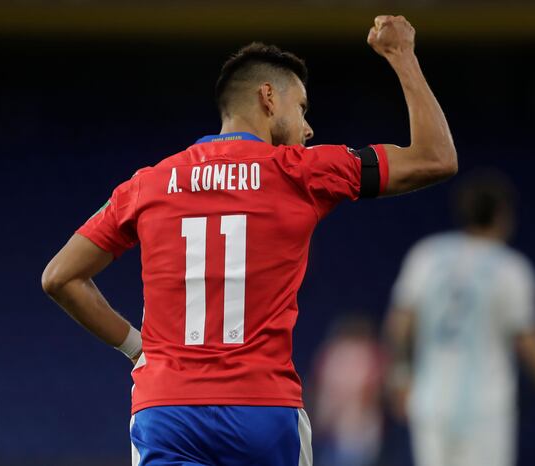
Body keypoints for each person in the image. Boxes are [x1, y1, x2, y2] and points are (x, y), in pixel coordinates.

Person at [42, 15, 457, 466]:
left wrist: (136, 348)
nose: (308, 127)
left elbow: (60, 277)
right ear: (268, 97)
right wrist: (402, 56)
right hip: (263, 410)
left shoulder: (149, 183)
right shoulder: (303, 170)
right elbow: (435, 158)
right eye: (301, 108)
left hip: (167, 409)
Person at [384, 170, 535, 466]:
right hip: (486, 406)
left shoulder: (426, 256)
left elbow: (400, 322)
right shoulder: (510, 268)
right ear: (503, 215)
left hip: (431, 399)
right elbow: (528, 337)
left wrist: (400, 374)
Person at [309, 315, 384, 466]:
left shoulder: (369, 354)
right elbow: (320, 394)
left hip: (360, 433)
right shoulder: (332, 355)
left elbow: (374, 394)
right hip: (332, 434)